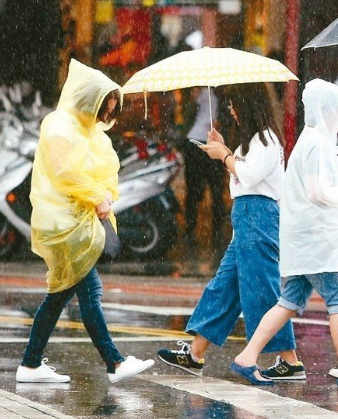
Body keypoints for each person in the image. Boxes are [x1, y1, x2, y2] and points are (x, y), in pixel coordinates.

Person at [231, 79, 338, 387]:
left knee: (288, 301)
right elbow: (320, 192)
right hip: (317, 241)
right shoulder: (317, 143)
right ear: (326, 110)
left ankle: (247, 357)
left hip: (306, 240)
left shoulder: (312, 140)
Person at [16, 59, 154, 384]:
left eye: (111, 111)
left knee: (59, 295)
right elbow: (65, 171)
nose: (106, 117)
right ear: (90, 100)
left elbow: (101, 167)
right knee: (89, 291)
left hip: (74, 221)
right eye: (104, 109)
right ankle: (115, 362)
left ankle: (30, 364)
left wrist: (104, 194)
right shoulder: (61, 125)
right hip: (63, 223)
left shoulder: (84, 128)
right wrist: (96, 196)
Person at [156, 83, 302, 381]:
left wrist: (224, 155)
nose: (231, 110)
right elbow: (245, 174)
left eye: (235, 104)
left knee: (262, 288)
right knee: (224, 286)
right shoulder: (257, 140)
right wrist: (224, 150)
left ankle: (290, 360)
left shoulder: (265, 139)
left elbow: (248, 175)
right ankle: (195, 353)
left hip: (257, 215)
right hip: (249, 217)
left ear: (248, 106)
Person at [180, 86, 226, 252]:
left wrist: (221, 124)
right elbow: (185, 118)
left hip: (214, 143)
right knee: (193, 190)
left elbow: (227, 118)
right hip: (194, 143)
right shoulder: (193, 93)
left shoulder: (221, 95)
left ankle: (217, 231)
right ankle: (190, 229)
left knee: (217, 190)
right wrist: (193, 99)